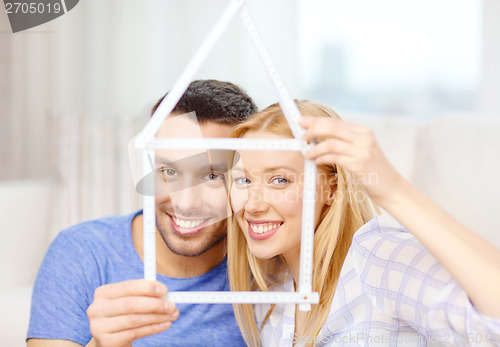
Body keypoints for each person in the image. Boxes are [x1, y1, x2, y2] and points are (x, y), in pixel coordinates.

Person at [228, 100, 500, 346]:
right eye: (244, 180)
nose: (252, 205)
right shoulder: (269, 296)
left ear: (331, 189)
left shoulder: (376, 258)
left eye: (280, 180)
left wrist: (394, 190)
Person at [27, 79, 258, 347]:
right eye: (169, 172)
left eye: (212, 175)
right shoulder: (80, 252)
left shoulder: (268, 264)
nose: (186, 202)